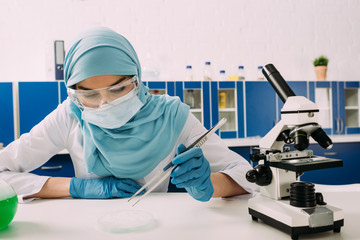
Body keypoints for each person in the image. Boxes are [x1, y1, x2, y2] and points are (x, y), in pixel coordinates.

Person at [0, 27, 256, 203]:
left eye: (118, 89)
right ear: (73, 93)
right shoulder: (70, 115)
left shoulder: (172, 116)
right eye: (89, 94)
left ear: (137, 78)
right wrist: (74, 187)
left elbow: (246, 175)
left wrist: (208, 185)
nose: (105, 104)